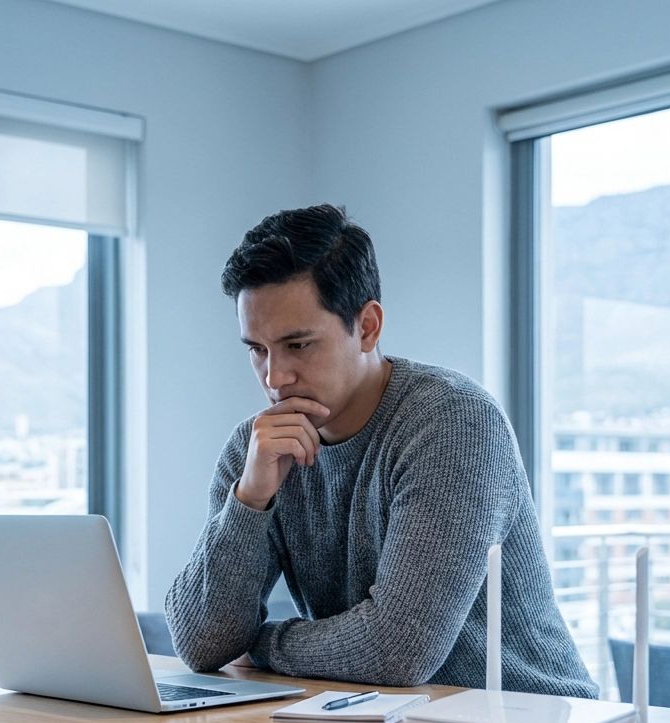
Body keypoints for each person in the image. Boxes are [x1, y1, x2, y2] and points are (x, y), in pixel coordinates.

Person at [165, 204, 595, 696]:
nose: (274, 377)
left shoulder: (452, 420)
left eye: (298, 345)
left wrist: (261, 646)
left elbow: (398, 649)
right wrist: (250, 498)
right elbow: (201, 645)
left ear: (367, 326)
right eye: (256, 349)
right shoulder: (256, 448)